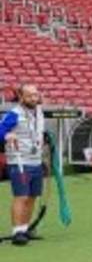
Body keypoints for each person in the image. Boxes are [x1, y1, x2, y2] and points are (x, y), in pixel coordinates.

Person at [1, 84, 46, 246]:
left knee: (33, 196)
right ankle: (17, 232)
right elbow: (1, 130)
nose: (34, 98)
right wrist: (6, 135)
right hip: (20, 162)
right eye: (30, 95)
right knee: (21, 196)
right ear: (21, 97)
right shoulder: (14, 114)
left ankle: (25, 229)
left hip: (36, 161)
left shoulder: (39, 112)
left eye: (35, 95)